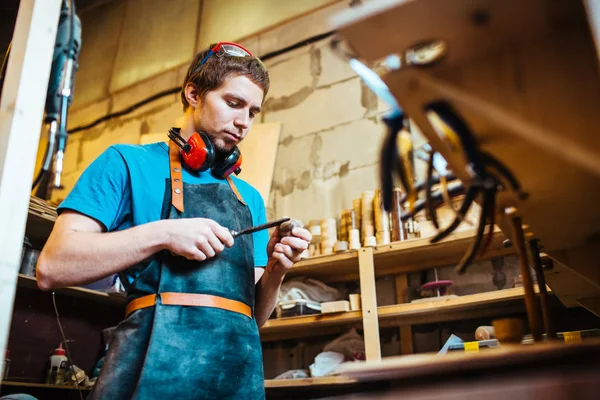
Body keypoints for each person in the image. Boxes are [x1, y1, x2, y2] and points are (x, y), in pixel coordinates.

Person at [37, 41, 311, 399]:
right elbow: (52, 268)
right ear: (193, 93)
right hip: (150, 369)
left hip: (234, 378)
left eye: (253, 112)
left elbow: (249, 319)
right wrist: (163, 233)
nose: (244, 122)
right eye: (233, 103)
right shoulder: (125, 163)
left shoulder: (251, 199)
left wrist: (277, 270)